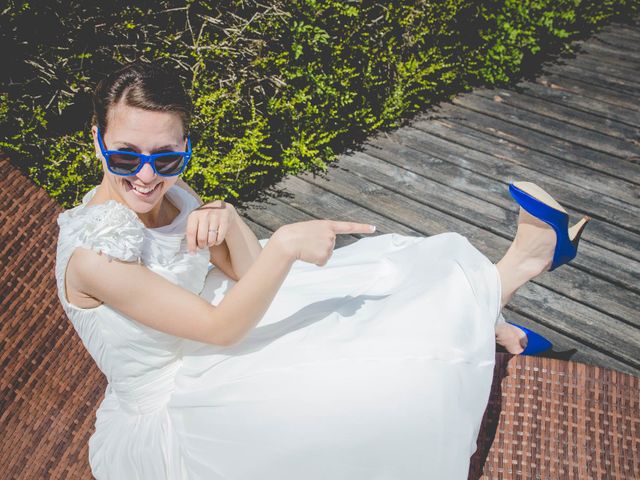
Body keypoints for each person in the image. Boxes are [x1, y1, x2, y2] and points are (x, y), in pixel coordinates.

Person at [54, 61, 589, 480]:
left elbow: (246, 272)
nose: (147, 176)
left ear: (185, 149)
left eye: (166, 158)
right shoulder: (97, 257)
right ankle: (513, 277)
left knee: (365, 288)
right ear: (97, 141)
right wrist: (285, 242)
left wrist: (232, 219)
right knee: (362, 387)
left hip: (215, 347)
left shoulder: (172, 194)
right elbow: (222, 327)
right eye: (126, 157)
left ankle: (495, 298)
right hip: (176, 412)